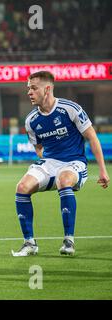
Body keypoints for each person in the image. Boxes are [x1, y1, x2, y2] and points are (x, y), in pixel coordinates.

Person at [12, 71, 109, 257]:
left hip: (74, 163)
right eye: (28, 88)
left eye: (34, 88)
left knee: (64, 179)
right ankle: (29, 243)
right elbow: (38, 148)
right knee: (22, 187)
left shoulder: (70, 109)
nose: (29, 92)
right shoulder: (31, 121)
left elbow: (92, 137)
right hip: (50, 163)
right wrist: (45, 166)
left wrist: (102, 171)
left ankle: (68, 240)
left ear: (47, 89)